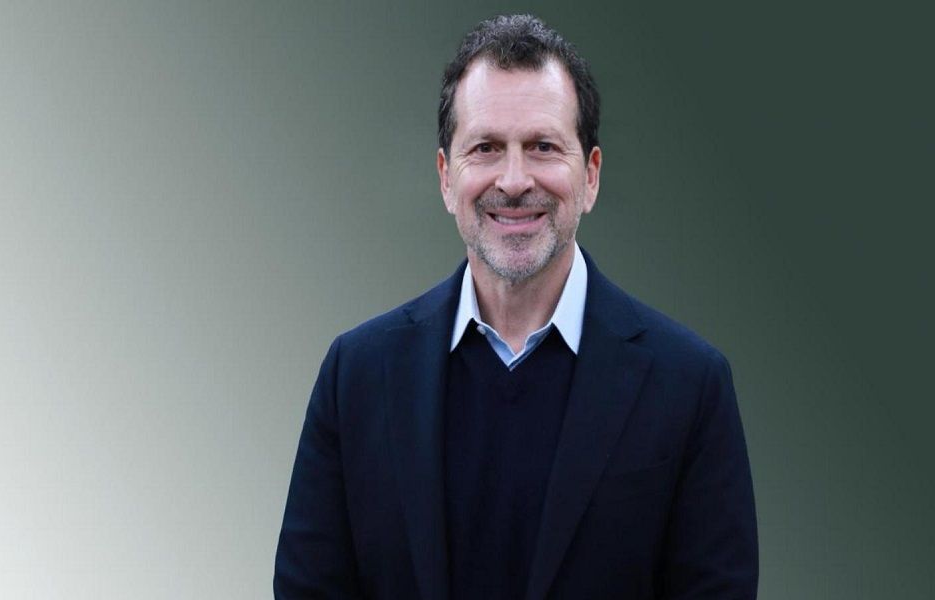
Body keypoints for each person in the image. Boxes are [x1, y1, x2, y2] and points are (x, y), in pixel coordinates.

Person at [275, 14, 757, 600]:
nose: (513, 179)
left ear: (591, 176)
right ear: (446, 177)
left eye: (542, 147)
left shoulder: (690, 386)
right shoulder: (356, 377)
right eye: (486, 148)